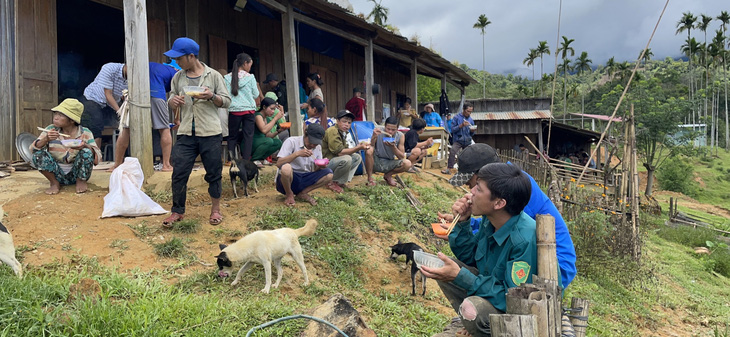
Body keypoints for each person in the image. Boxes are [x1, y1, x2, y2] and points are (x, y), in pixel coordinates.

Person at [421, 163, 536, 337]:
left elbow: (515, 300)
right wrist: (463, 222)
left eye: (478, 189)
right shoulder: (490, 220)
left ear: (499, 203)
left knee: (470, 306)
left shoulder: (523, 239)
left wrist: (461, 277)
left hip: (520, 313)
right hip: (496, 293)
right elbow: (472, 257)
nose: (471, 192)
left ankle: (481, 324)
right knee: (441, 267)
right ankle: (474, 322)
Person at [439, 143, 577, 289]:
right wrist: (464, 224)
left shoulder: (515, 187)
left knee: (502, 294)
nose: (470, 189)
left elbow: (515, 231)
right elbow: (499, 224)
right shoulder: (496, 199)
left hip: (552, 261)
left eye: (474, 184)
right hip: (524, 254)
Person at [162, 37, 231, 227]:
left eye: (179, 58)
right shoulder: (178, 77)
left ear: (191, 56)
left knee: (214, 172)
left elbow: (226, 101)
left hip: (210, 132)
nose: (177, 62)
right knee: (179, 173)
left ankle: (215, 210)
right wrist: (172, 102)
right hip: (185, 132)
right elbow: (171, 97)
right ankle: (177, 211)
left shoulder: (214, 76)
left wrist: (212, 96)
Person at [109, 62, 178, 172]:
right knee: (164, 129)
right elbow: (176, 98)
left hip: (134, 95)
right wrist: (177, 119)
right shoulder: (176, 73)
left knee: (126, 130)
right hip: (156, 94)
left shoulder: (150, 64)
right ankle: (166, 165)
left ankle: (117, 164)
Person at [30, 99, 102, 194]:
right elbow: (32, 150)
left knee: (87, 152)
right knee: (38, 154)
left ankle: (81, 181)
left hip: (76, 173)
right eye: (55, 114)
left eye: (60, 115)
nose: (55, 118)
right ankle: (54, 183)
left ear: (72, 120)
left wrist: (85, 146)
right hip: (56, 173)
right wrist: (46, 139)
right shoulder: (50, 130)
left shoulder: (85, 132)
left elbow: (98, 158)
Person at [276, 123, 333, 206]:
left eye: (315, 143)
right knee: (286, 168)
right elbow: (279, 163)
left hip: (305, 178)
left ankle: (303, 193)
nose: (313, 145)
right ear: (305, 135)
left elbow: (315, 169)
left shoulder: (318, 147)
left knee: (329, 173)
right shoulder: (291, 141)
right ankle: (289, 194)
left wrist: (321, 166)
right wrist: (297, 154)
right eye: (311, 142)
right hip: (290, 179)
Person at [80, 62, 128, 146]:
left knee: (124, 125)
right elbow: (108, 94)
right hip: (92, 99)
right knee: (96, 127)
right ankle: (97, 157)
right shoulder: (110, 68)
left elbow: (124, 97)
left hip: (108, 105)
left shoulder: (133, 78)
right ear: (127, 65)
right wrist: (120, 112)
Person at [322, 110, 369, 192]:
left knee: (357, 157)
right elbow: (339, 152)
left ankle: (340, 182)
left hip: (335, 160)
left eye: (349, 122)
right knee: (347, 159)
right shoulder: (333, 131)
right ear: (337, 121)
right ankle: (331, 182)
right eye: (344, 121)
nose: (347, 125)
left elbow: (346, 149)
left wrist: (358, 147)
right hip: (326, 164)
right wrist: (358, 148)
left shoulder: (344, 132)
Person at [224, 53, 259, 160]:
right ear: (245, 63)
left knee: (232, 136)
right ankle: (246, 160)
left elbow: (225, 93)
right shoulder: (250, 77)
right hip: (248, 111)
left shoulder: (227, 77)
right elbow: (256, 94)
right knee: (248, 137)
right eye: (250, 65)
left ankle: (231, 160)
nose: (250, 68)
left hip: (234, 111)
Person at [365, 116, 412, 187]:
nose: (390, 132)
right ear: (384, 126)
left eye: (393, 130)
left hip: (389, 161)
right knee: (369, 151)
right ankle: (370, 178)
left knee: (407, 163)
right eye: (388, 129)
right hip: (376, 160)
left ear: (397, 128)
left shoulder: (400, 136)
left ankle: (388, 175)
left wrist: (393, 147)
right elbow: (371, 146)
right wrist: (373, 136)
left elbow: (401, 156)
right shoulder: (379, 131)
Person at [442, 102, 475, 175]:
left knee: (468, 155)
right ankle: (449, 168)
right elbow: (452, 129)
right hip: (458, 139)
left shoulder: (471, 120)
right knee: (453, 152)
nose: (469, 113)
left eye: (471, 112)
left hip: (467, 140)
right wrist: (461, 125)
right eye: (468, 111)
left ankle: (467, 171)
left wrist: (472, 131)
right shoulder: (456, 118)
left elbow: (472, 134)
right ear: (463, 109)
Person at [251, 97, 285, 166]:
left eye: (274, 109)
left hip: (261, 142)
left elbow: (268, 135)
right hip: (252, 142)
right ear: (264, 107)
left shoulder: (266, 118)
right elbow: (264, 130)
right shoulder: (258, 116)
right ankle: (254, 159)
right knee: (269, 141)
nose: (273, 111)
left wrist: (278, 131)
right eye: (271, 109)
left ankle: (261, 159)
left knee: (278, 142)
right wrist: (275, 118)